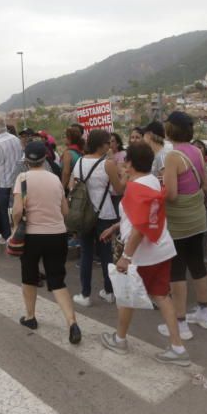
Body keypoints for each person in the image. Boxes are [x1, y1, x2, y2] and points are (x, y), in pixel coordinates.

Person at [99, 141, 190, 366]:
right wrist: (117, 226)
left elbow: (140, 226)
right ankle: (178, 348)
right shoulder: (151, 182)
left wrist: (126, 256)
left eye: (125, 162)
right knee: (162, 296)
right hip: (162, 247)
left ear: (129, 163)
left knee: (125, 296)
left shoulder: (135, 188)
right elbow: (146, 217)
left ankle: (119, 340)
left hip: (141, 255)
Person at [12, 140, 82, 344]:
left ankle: (31, 317)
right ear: (45, 158)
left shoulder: (22, 178)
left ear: (26, 159)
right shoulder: (54, 179)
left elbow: (17, 210)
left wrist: (16, 226)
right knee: (57, 280)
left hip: (32, 236)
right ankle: (72, 323)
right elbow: (65, 211)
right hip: (57, 235)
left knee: (29, 276)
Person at [161, 112, 207, 336]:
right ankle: (204, 313)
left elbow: (171, 194)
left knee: (177, 270)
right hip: (197, 219)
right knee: (198, 265)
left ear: (170, 129)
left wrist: (159, 186)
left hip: (179, 222)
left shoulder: (172, 156)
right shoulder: (196, 150)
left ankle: (180, 322)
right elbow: (206, 185)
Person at [70, 129, 125, 307]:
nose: (110, 145)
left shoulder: (79, 162)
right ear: (101, 145)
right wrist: (123, 175)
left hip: (84, 214)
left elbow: (73, 186)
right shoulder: (108, 164)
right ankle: (109, 292)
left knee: (86, 254)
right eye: (108, 143)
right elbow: (119, 189)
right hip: (104, 213)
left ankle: (85, 295)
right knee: (106, 254)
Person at [0, 120, 24, 244]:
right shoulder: (16, 139)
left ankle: (8, 235)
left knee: (4, 211)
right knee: (19, 209)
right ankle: (19, 233)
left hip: (3, 183)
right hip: (18, 181)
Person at [60, 125, 84, 192]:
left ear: (69, 139)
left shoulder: (68, 153)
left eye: (65, 137)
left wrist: (62, 188)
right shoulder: (81, 150)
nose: (63, 139)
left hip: (70, 188)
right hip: (80, 185)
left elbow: (66, 173)